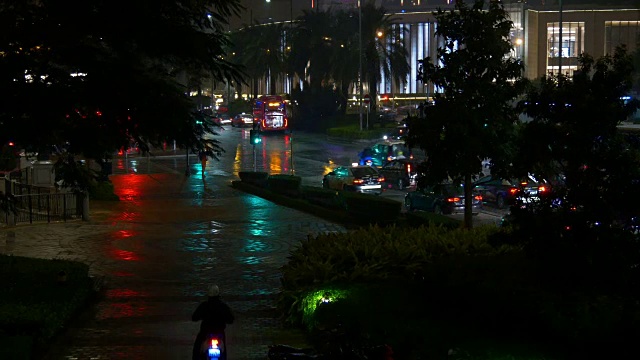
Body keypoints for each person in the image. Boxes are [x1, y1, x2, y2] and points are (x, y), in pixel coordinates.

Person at [192, 284, 234, 360]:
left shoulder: (204, 306)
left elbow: (194, 317)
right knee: (223, 353)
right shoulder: (223, 306)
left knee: (197, 351)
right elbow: (231, 319)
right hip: (219, 334)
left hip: (205, 333)